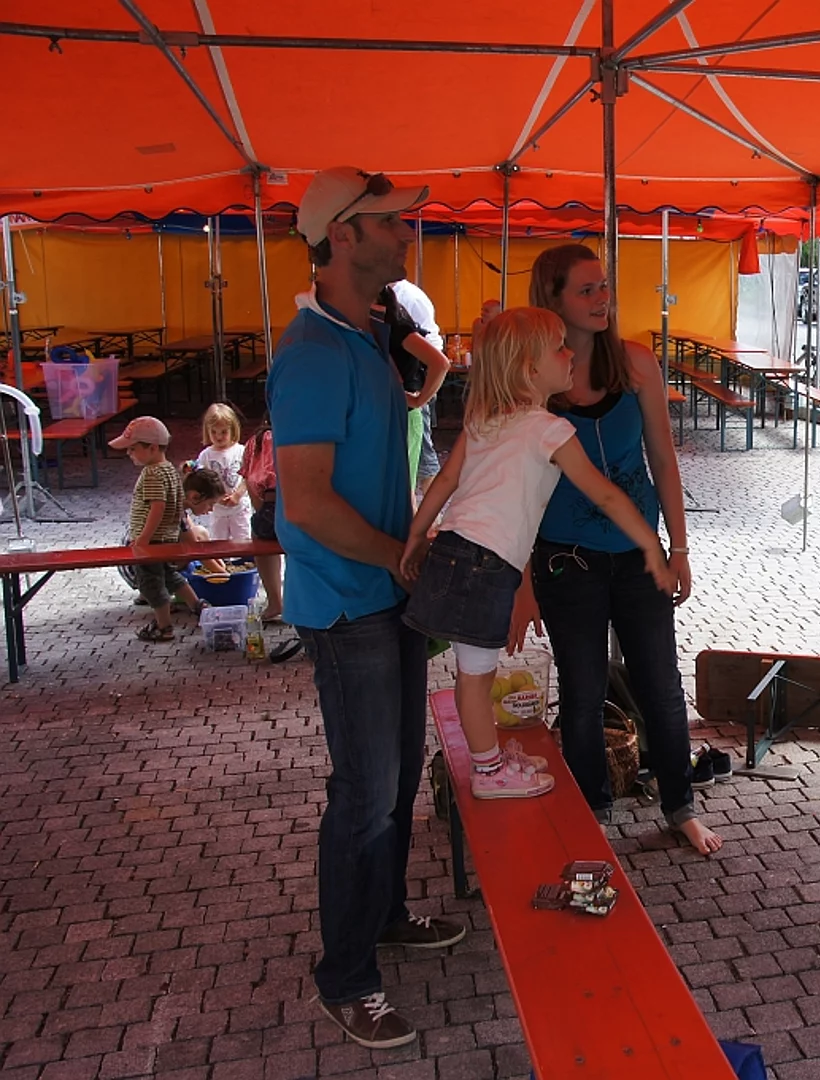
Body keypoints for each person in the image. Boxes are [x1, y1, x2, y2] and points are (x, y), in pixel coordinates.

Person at [268, 166, 463, 1051]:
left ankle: (385, 916)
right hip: (349, 605)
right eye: (391, 222)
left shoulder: (368, 330)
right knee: (365, 791)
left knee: (394, 780)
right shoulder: (313, 353)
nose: (407, 233)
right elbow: (306, 502)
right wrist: (397, 556)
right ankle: (346, 978)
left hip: (386, 592)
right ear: (341, 236)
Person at [402, 307, 676, 799]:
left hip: (456, 552)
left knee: (473, 673)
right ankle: (488, 771)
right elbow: (607, 495)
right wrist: (651, 545)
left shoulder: (485, 420)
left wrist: (417, 535)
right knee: (476, 677)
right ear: (530, 370)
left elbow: (444, 481)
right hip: (486, 564)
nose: (570, 354)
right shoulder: (550, 429)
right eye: (559, 348)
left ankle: (488, 759)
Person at [507, 244, 722, 856]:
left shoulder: (636, 364)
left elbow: (664, 460)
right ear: (553, 300)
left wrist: (680, 547)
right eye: (586, 290)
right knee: (581, 692)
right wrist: (521, 582)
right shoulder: (533, 375)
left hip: (637, 556)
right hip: (564, 560)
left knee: (661, 684)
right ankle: (592, 812)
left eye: (604, 287)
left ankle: (680, 805)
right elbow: (517, 487)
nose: (602, 299)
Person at [112, 416, 206, 642]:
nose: (129, 453)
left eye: (133, 448)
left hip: (152, 541)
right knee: (170, 576)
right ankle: (198, 606)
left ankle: (164, 627)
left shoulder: (152, 473)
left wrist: (144, 538)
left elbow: (158, 506)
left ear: (152, 448)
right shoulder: (169, 470)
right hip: (166, 538)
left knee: (151, 584)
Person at [375, 282, 450, 494]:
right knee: (400, 483)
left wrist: (419, 399)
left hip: (407, 408)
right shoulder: (377, 325)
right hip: (392, 409)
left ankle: (429, 513)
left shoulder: (398, 325)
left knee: (409, 479)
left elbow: (440, 362)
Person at [240, 421, 282, 621]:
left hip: (268, 510)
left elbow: (251, 481)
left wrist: (262, 514)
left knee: (261, 540)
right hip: (303, 510)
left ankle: (275, 602)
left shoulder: (256, 442)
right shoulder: (299, 434)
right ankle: (296, 602)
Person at [195, 402, 252, 542]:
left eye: (223, 432)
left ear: (232, 429)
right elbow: (202, 480)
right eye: (213, 432)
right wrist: (215, 496)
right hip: (218, 510)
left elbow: (248, 476)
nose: (218, 437)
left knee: (243, 541)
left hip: (240, 507)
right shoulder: (206, 455)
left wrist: (237, 495)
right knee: (218, 542)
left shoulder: (241, 451)